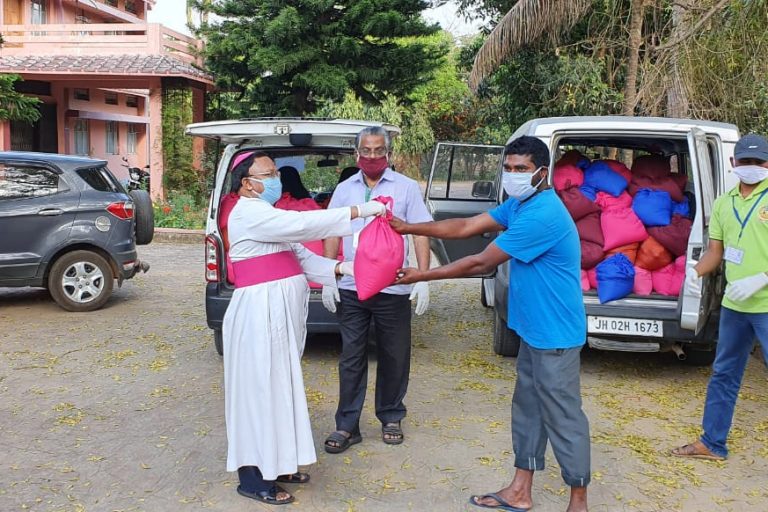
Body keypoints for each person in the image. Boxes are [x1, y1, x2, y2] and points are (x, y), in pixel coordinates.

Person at [391, 136, 590, 512]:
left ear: (542, 173)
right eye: (509, 168)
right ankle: (520, 489)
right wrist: (409, 228)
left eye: (522, 170)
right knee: (528, 409)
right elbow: (466, 225)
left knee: (563, 416)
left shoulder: (543, 214)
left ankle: (578, 502)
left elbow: (481, 262)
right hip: (533, 331)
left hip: (556, 335)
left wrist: (422, 276)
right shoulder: (519, 204)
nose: (512, 175)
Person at [222, 151, 386, 505]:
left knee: (280, 389)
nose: (275, 178)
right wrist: (359, 211)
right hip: (256, 316)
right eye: (267, 174)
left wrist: (346, 270)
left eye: (276, 172)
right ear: (248, 183)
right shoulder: (248, 213)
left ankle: (278, 464)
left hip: (276, 317)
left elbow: (303, 256)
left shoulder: (268, 214)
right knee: (257, 393)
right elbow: (304, 226)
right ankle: (252, 477)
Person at [321, 126, 432, 453]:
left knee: (394, 354)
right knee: (351, 356)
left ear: (389, 154)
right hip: (353, 287)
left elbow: (420, 231)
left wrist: (422, 278)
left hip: (394, 285)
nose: (372, 157)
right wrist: (329, 275)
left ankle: (391, 415)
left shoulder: (407, 188)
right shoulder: (344, 189)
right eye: (366, 151)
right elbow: (332, 230)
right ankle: (347, 425)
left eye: (378, 151)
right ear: (356, 154)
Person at [672, 133, 768, 462]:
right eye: (746, 162)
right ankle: (712, 442)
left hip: (766, 306)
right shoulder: (724, 202)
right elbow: (716, 252)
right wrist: (695, 272)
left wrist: (763, 278)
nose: (752, 167)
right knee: (724, 373)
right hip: (735, 306)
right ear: (733, 163)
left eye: (759, 162)